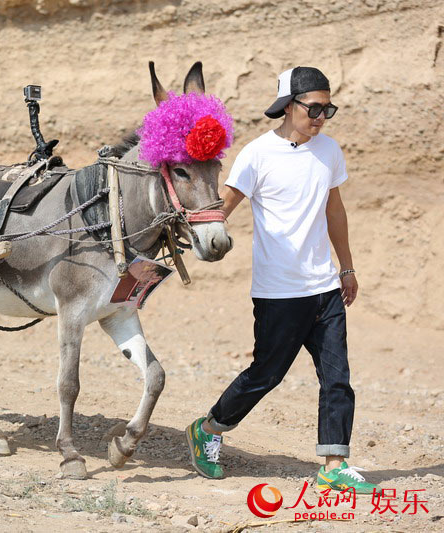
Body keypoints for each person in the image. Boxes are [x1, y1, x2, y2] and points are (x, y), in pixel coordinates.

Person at [185, 66, 380, 494]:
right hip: (279, 292)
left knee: (337, 377)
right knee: (266, 374)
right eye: (314, 108)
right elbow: (223, 207)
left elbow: (335, 211)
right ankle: (210, 428)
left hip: (324, 288)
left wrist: (346, 267)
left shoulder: (329, 151)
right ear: (288, 106)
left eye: (329, 109)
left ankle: (334, 464)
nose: (321, 117)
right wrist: (190, 242)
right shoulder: (257, 155)